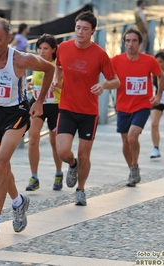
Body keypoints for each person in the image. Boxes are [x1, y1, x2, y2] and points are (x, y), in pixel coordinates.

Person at [0, 17, 54, 242]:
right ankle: (18, 202)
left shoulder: (22, 60)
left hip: (16, 114)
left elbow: (49, 69)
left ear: (8, 39)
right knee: (1, 170)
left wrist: (40, 101)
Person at [52, 11, 120, 206]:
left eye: (85, 29)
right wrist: (57, 78)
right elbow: (58, 65)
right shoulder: (63, 47)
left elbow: (116, 81)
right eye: (78, 28)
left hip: (89, 112)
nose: (80, 32)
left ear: (93, 32)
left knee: (84, 155)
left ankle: (81, 190)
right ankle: (72, 165)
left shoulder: (100, 54)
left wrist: (103, 85)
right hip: (66, 108)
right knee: (63, 152)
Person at [111, 27, 164, 187]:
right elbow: (103, 72)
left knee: (132, 137)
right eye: (128, 41)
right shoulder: (116, 60)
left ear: (140, 43)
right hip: (122, 106)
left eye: (134, 41)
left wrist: (159, 94)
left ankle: (134, 165)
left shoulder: (149, 60)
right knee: (125, 142)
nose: (131, 44)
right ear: (124, 43)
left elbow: (160, 76)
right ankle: (133, 171)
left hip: (142, 105)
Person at [25, 34, 63, 192]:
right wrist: (31, 85)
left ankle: (58, 173)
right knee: (33, 138)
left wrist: (58, 85)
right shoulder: (36, 64)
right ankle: (34, 177)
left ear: (53, 50)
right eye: (39, 48)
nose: (42, 51)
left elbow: (68, 87)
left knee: (55, 143)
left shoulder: (58, 65)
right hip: (38, 104)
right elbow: (36, 82)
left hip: (55, 106)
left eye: (46, 48)